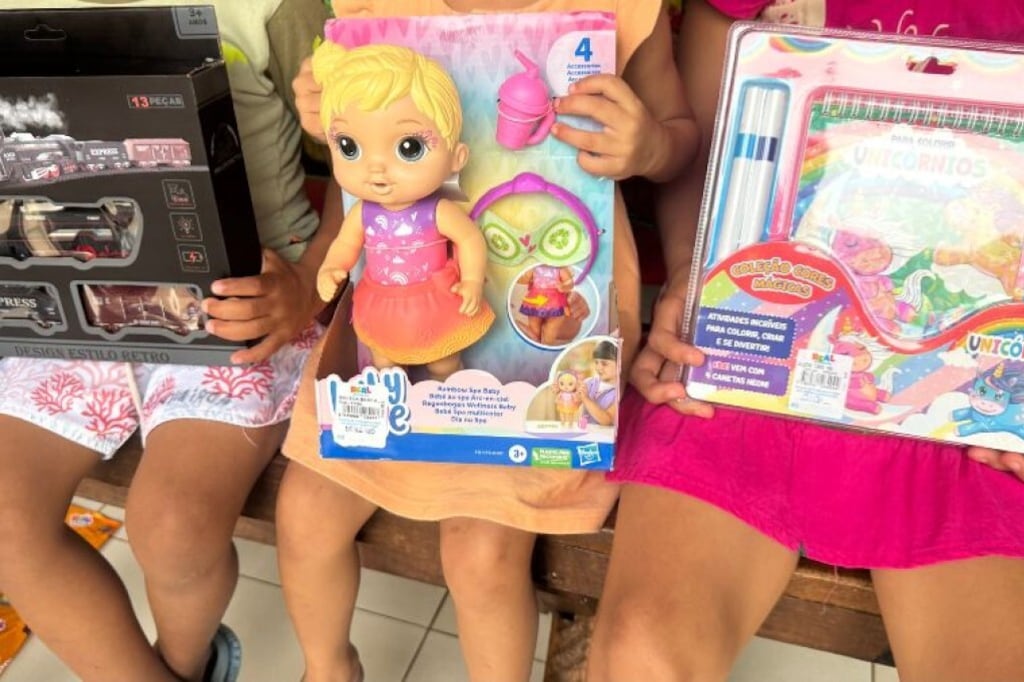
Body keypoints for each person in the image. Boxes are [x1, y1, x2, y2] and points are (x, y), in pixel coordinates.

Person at [587, 2, 1024, 681]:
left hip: (972, 394)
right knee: (640, 655)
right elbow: (705, 144)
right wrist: (692, 277)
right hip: (757, 347)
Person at [276, 1, 698, 680]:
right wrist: (330, 115)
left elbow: (682, 140)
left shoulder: (623, 9)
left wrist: (651, 146)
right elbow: (349, 183)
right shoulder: (374, 11)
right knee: (304, 515)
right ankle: (327, 670)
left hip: (534, 353)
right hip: (386, 339)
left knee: (480, 555)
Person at [0, 1, 340, 681]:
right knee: (6, 522)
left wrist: (308, 285)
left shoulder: (273, 9)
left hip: (248, 301)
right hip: (67, 303)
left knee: (174, 527)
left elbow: (363, 154)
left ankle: (187, 664)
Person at [313, 42, 495, 382]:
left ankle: (449, 395)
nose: (376, 168)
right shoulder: (363, 213)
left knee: (443, 363)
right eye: (349, 147)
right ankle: (397, 404)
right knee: (385, 363)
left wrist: (471, 280)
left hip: (433, 303)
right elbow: (345, 244)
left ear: (456, 158)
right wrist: (331, 267)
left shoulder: (437, 211)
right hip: (381, 304)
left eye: (409, 148)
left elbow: (470, 239)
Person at [578, 339, 618, 427]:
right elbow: (574, 402)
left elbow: (606, 420)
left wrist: (586, 399)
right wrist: (563, 390)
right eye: (596, 362)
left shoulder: (620, 392)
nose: (599, 367)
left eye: (604, 364)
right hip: (585, 432)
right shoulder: (589, 383)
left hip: (604, 435)